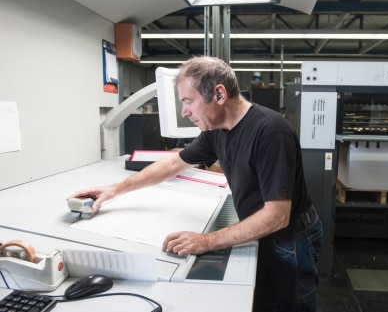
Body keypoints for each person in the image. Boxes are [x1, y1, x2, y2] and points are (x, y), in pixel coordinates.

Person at [69, 56, 323, 311]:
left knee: (293, 305)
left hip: (290, 238)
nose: (184, 112)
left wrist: (208, 241)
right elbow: (173, 164)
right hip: (260, 230)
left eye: (189, 101)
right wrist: (114, 189)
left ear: (219, 95)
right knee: (266, 302)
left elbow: (277, 216)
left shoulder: (269, 133)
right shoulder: (217, 130)